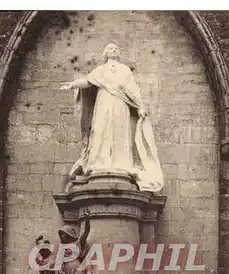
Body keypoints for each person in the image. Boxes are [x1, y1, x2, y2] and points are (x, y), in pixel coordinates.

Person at [60, 43, 163, 193]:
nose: (113, 50)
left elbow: (132, 89)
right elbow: (88, 81)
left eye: (116, 48)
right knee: (101, 131)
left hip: (120, 105)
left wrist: (141, 106)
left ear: (118, 53)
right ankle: (99, 163)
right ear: (105, 53)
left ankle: (121, 164)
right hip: (103, 103)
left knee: (119, 133)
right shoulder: (100, 70)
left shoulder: (125, 70)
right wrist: (72, 85)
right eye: (110, 48)